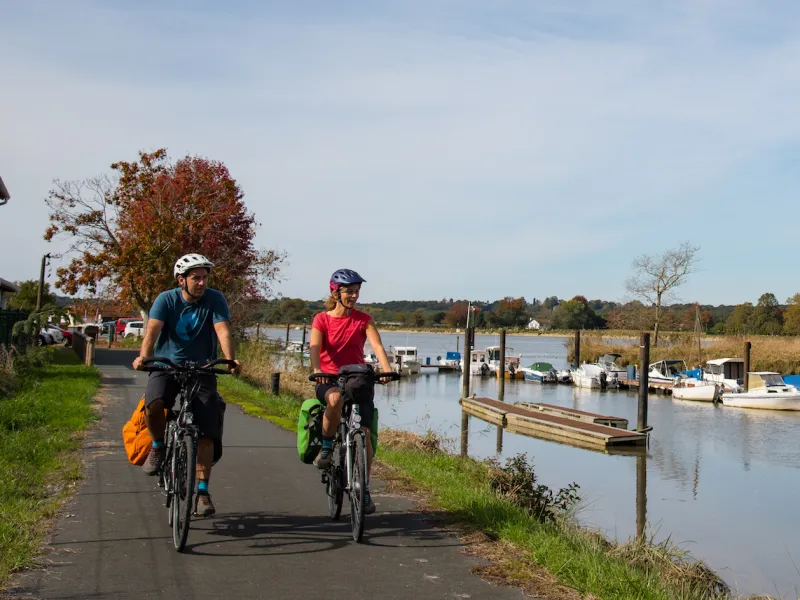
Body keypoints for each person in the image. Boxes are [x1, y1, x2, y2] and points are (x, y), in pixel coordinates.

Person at [132, 253, 241, 517]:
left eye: (204, 277)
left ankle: (202, 492)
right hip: (166, 366)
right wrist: (144, 357)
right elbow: (153, 331)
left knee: (206, 429)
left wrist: (230, 359)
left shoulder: (215, 299)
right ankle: (158, 447)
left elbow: (222, 330)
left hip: (202, 368)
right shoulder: (166, 299)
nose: (202, 283)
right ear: (181, 280)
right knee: (154, 404)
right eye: (196, 278)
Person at [309, 268, 393, 514]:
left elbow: (377, 346)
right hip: (328, 377)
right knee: (334, 399)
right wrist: (317, 369)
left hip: (356, 378)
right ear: (335, 293)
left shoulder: (363, 319)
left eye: (357, 291)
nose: (354, 296)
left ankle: (363, 488)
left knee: (363, 433)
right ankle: (326, 448)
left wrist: (386, 369)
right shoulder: (321, 319)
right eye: (349, 292)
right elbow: (314, 347)